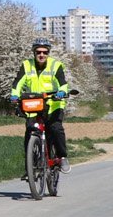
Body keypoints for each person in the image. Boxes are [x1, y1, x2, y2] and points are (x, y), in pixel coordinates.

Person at [9, 36, 73, 173]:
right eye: (38, 52)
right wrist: (14, 94)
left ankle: (62, 157)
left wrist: (61, 92)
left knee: (56, 129)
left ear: (48, 53)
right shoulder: (26, 65)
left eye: (45, 52)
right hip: (33, 105)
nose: (41, 55)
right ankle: (30, 168)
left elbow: (62, 83)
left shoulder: (55, 65)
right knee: (30, 133)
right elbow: (18, 83)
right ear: (34, 53)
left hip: (53, 104)